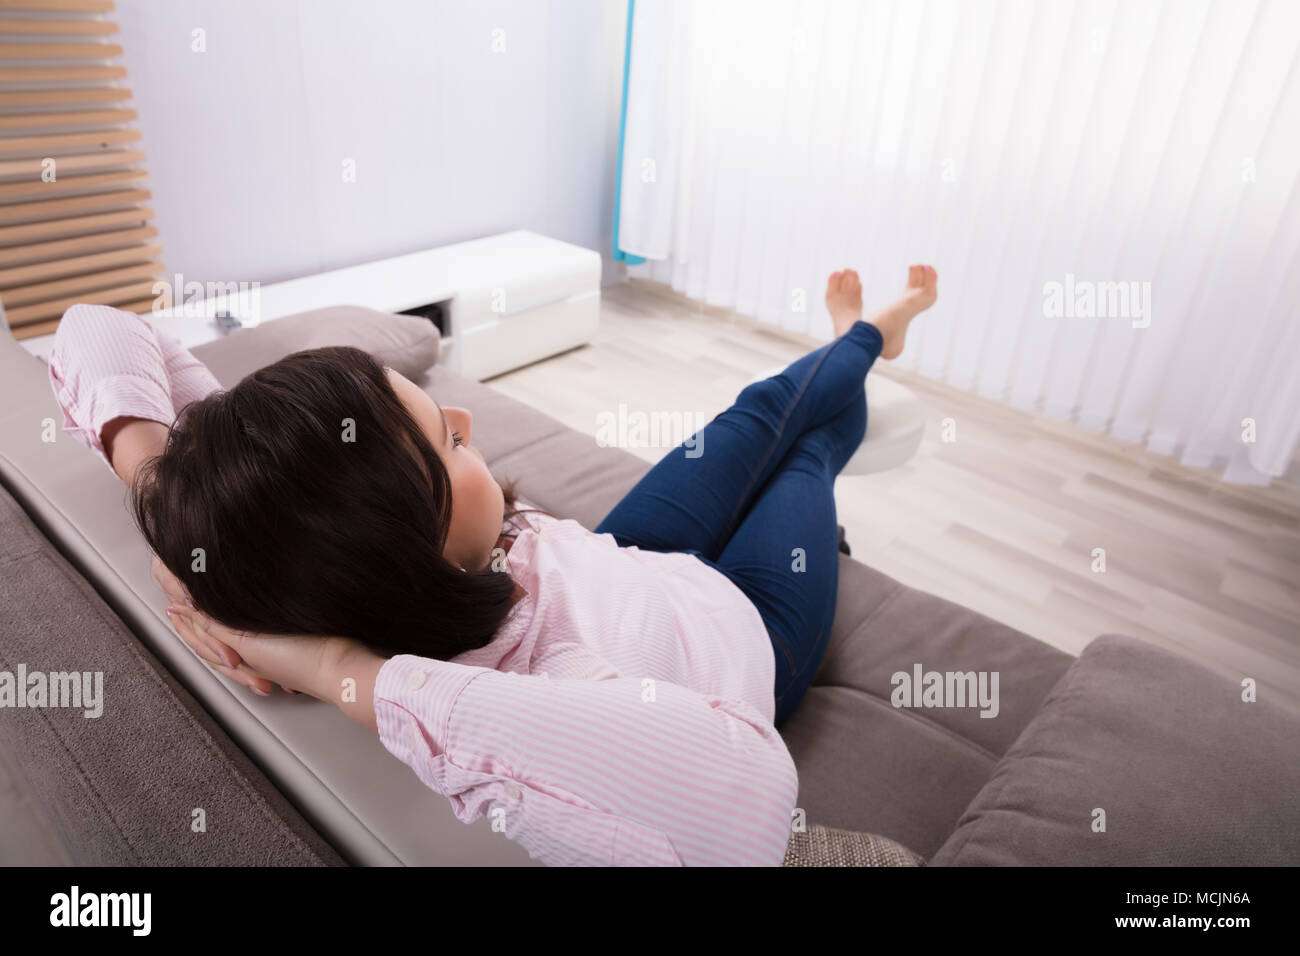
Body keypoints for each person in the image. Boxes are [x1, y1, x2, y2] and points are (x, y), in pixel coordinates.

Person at [46, 264, 937, 865]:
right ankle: (867, 338)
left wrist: (161, 485)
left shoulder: (272, 529)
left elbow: (92, 328)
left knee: (759, 411)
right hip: (747, 630)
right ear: (409, 555)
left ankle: (851, 346)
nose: (465, 427)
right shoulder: (539, 679)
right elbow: (747, 797)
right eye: (446, 446)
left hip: (624, 556)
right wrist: (339, 672)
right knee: (808, 451)